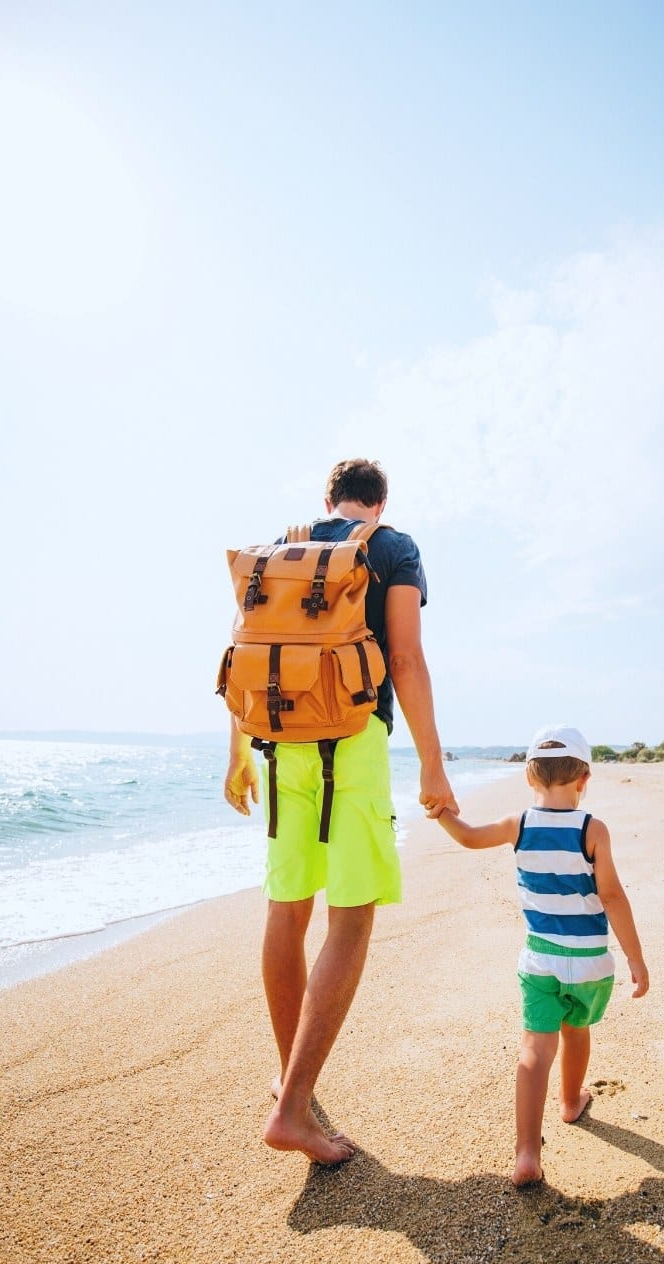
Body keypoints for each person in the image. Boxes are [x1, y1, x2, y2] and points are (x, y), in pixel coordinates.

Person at [224, 458, 458, 1163]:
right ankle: (294, 1108)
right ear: (380, 503)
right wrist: (433, 762)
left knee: (288, 908)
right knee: (351, 919)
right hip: (353, 743)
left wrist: (238, 753)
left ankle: (289, 1078)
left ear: (328, 499)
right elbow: (406, 660)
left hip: (279, 745)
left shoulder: (282, 550)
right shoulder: (393, 547)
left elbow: (247, 654)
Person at [433, 724, 648, 1186]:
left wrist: (441, 811)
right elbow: (612, 896)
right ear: (584, 779)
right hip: (589, 962)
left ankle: (527, 1153)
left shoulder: (519, 824)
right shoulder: (593, 829)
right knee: (577, 1030)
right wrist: (635, 958)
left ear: (530, 776)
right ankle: (571, 1102)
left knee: (535, 1049)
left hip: (540, 960)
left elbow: (468, 837)